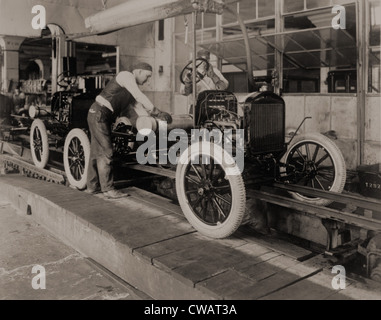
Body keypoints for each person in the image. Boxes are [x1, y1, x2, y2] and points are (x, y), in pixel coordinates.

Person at [86, 62, 172, 199]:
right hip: (100, 114)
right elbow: (139, 96)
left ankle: (92, 187)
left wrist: (154, 120)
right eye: (147, 76)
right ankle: (108, 189)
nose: (148, 80)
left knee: (96, 152)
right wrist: (156, 111)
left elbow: (140, 110)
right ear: (138, 71)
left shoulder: (129, 89)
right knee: (106, 152)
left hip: (99, 114)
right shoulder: (126, 76)